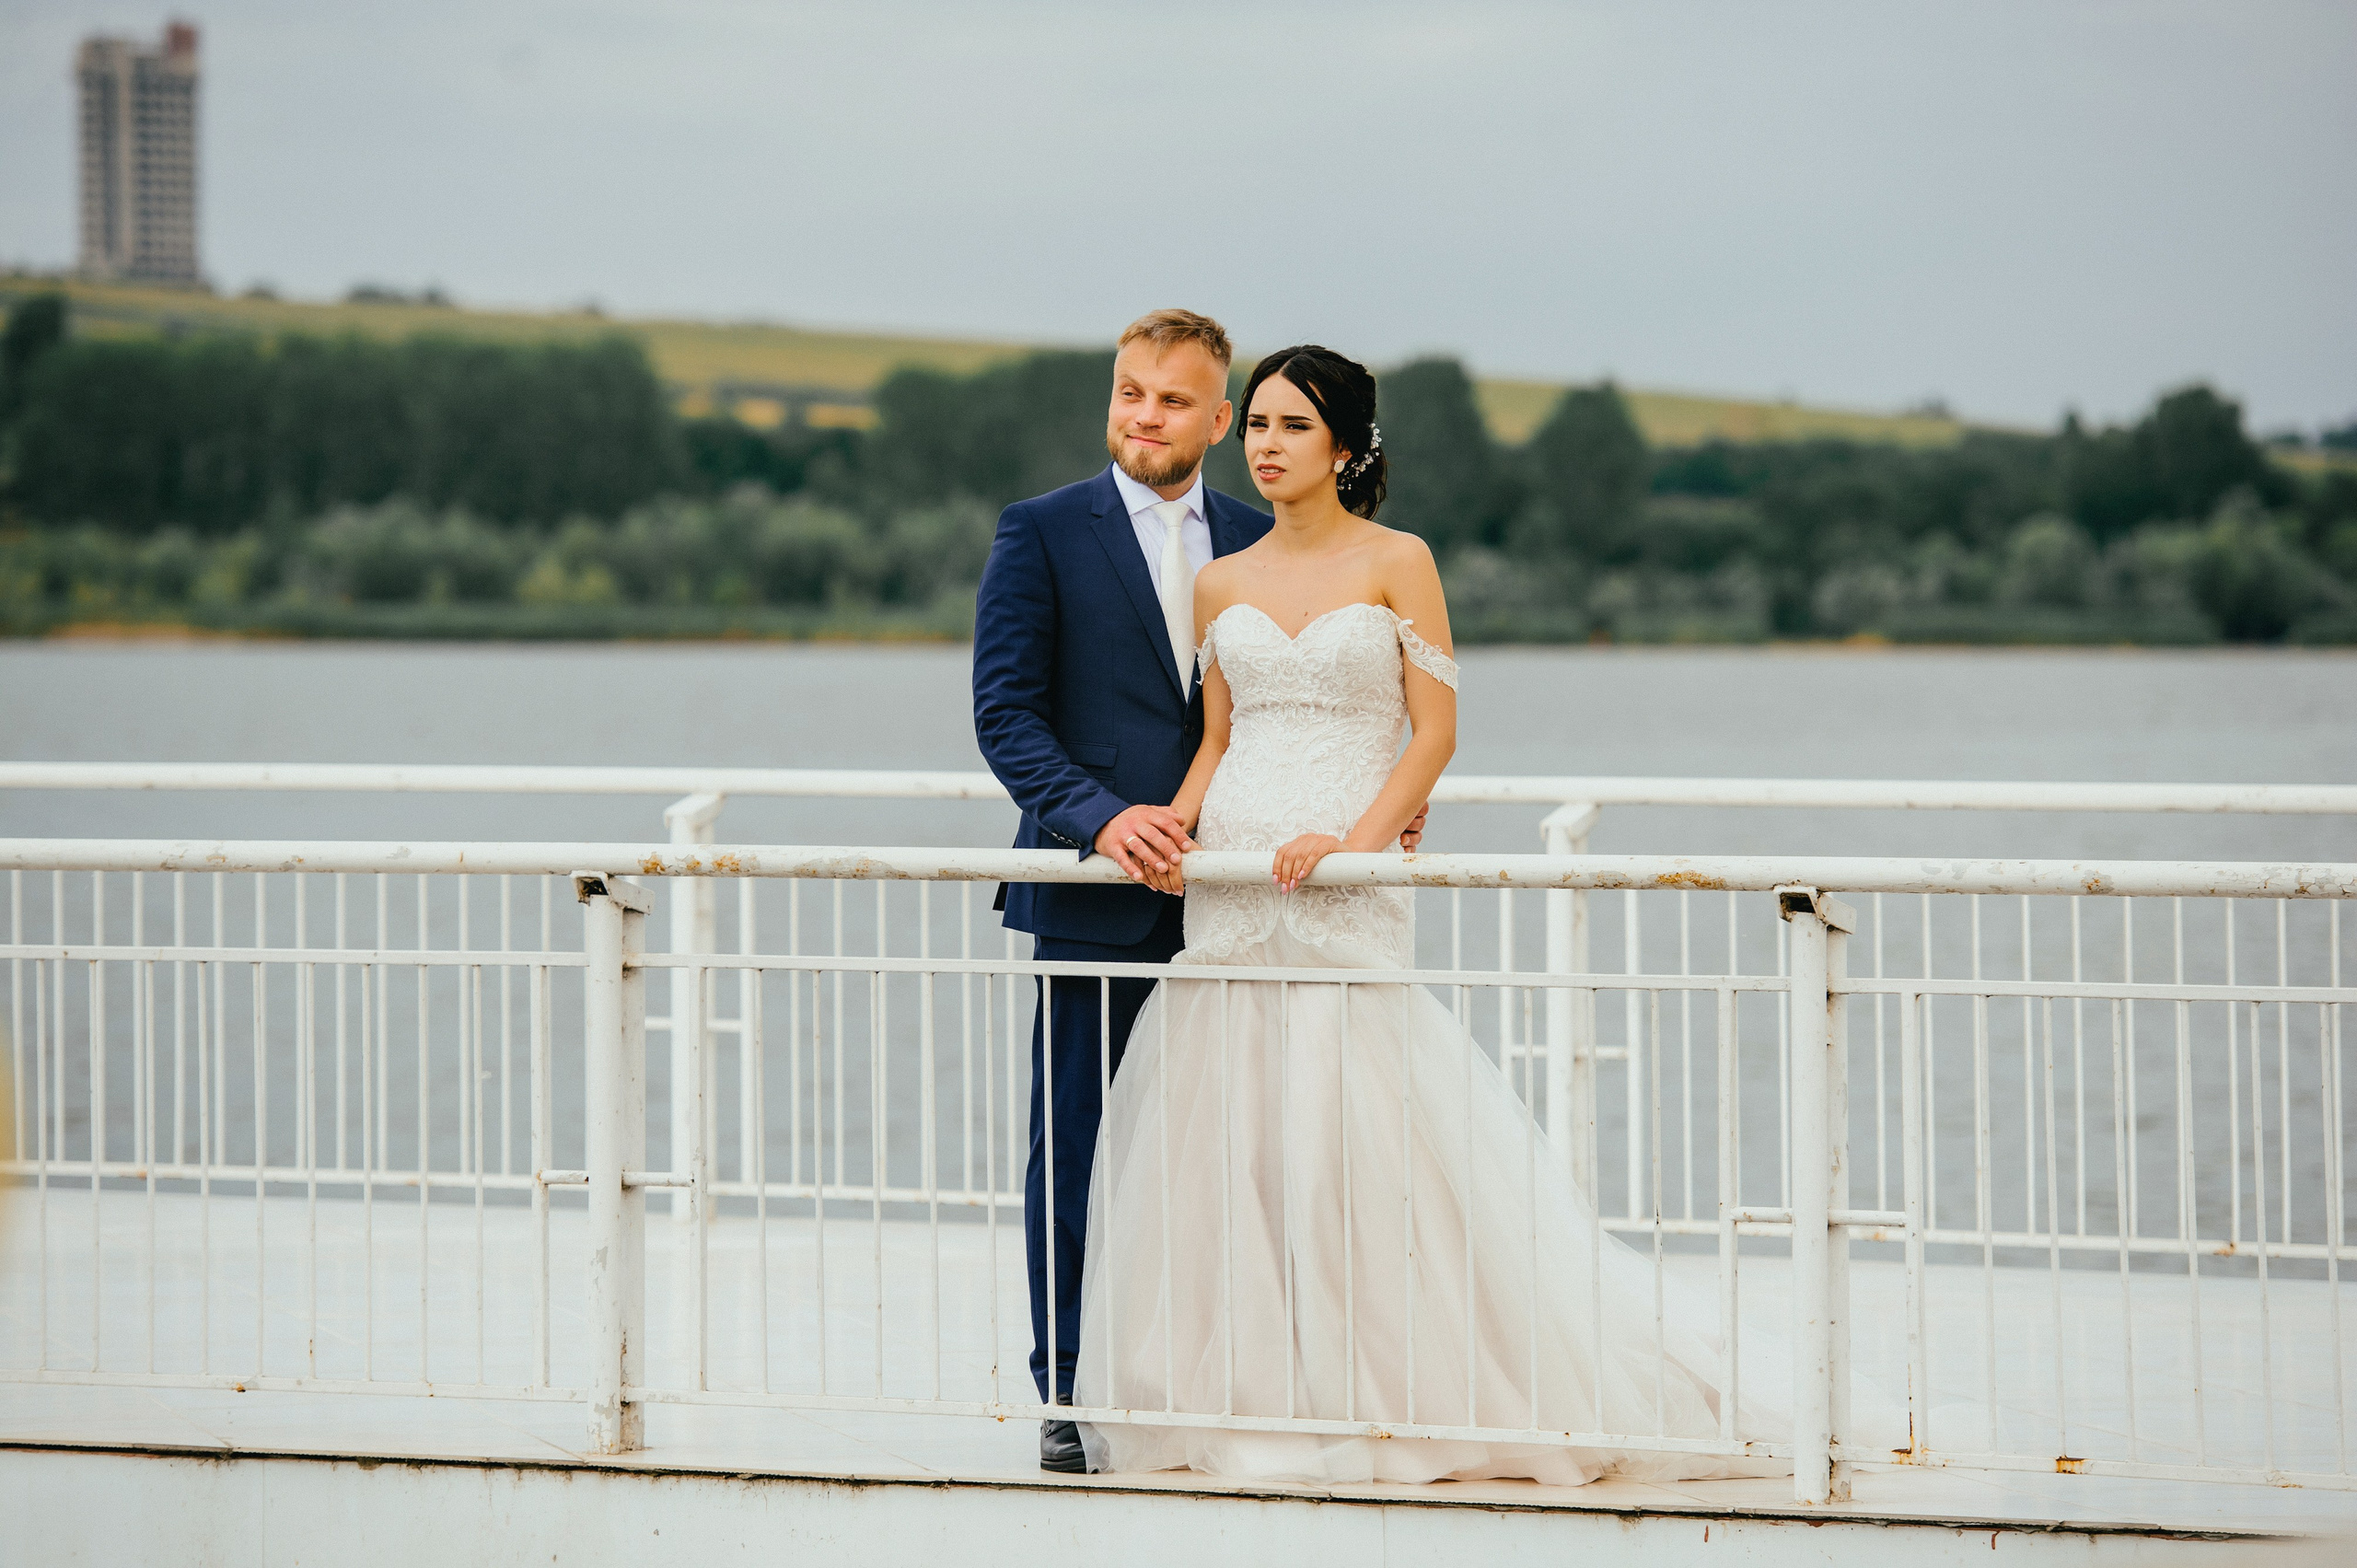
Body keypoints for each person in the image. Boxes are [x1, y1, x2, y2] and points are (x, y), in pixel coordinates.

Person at [1072, 344, 1785, 1485]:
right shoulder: (1220, 581)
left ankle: (1396, 1390)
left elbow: (1436, 733)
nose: (1264, 443)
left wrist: (1353, 849)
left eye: (1293, 426)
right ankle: (1257, 1396)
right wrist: (1175, 830)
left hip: (1342, 874)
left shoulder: (1401, 561)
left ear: (1347, 446)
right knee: (1237, 1144)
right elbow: (1217, 737)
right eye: (1254, 422)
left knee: (1343, 1142)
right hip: (1231, 878)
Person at [970, 310, 1428, 1473]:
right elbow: (1006, 716)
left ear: (1218, 421)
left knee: (1274, 1146)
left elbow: (1336, 704)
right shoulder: (1038, 532)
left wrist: (1384, 804)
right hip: (1099, 894)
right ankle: (1067, 1388)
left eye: (1172, 400)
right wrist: (1100, 817)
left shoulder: (1255, 532)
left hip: (1259, 895)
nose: (1144, 416)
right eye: (1129, 393)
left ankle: (1275, 1377)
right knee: (1076, 1142)